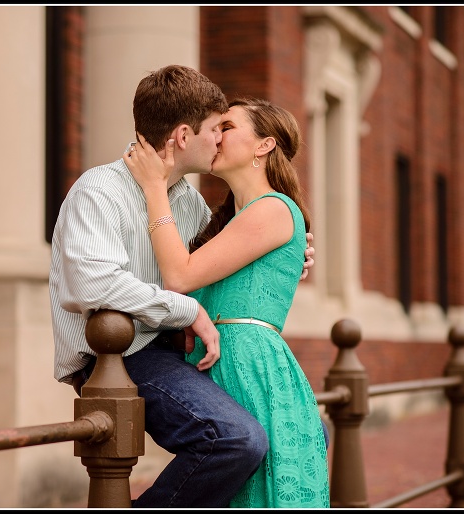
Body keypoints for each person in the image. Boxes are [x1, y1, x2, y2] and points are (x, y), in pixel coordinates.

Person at [50, 65, 314, 508]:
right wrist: (186, 311)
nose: (220, 139)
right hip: (120, 355)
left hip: (173, 350)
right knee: (234, 439)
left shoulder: (190, 204)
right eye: (217, 128)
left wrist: (286, 256)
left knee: (304, 433)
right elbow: (94, 284)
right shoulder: (99, 190)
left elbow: (210, 266)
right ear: (184, 135)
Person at [123, 95, 330, 508]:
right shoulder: (228, 221)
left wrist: (153, 187)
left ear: (264, 145)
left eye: (228, 127)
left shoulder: (272, 208)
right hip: (222, 360)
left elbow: (178, 276)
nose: (216, 137)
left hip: (251, 361)